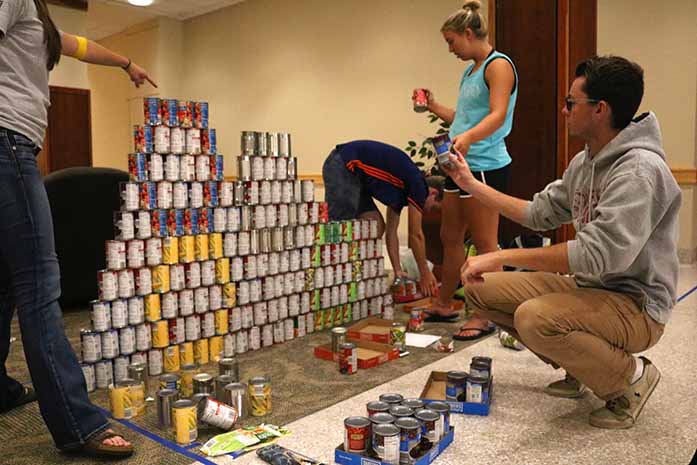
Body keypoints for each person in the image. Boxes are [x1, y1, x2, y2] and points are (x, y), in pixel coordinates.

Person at [443, 55, 680, 429]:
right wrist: (470, 183)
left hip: (636, 306)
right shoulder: (585, 162)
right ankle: (582, 365)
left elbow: (595, 254)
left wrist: (500, 255)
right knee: (479, 290)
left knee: (534, 317)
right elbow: (539, 213)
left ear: (600, 109)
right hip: (593, 290)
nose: (564, 109)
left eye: (571, 103)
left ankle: (630, 379)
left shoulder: (639, 170)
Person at [0, 0, 156, 457]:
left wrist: (127, 63)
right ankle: (76, 422)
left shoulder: (33, 11)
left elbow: (77, 45)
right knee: (39, 286)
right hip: (7, 143)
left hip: (12, 144)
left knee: (6, 282)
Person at [413, 0, 517, 340]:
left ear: (469, 34)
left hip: (485, 164)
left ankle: (487, 314)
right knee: (449, 236)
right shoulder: (470, 70)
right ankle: (445, 302)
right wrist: (433, 106)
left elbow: (498, 114)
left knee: (486, 243)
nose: (450, 49)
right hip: (459, 164)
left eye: (451, 42)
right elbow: (463, 119)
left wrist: (470, 137)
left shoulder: (498, 65)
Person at [322, 140, 440, 297]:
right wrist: (424, 273)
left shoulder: (403, 191)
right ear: (433, 193)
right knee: (341, 227)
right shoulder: (419, 186)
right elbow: (415, 234)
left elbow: (391, 233)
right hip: (343, 164)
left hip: (356, 176)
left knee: (376, 225)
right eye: (433, 207)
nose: (428, 211)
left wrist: (398, 271)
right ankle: (333, 276)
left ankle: (357, 273)